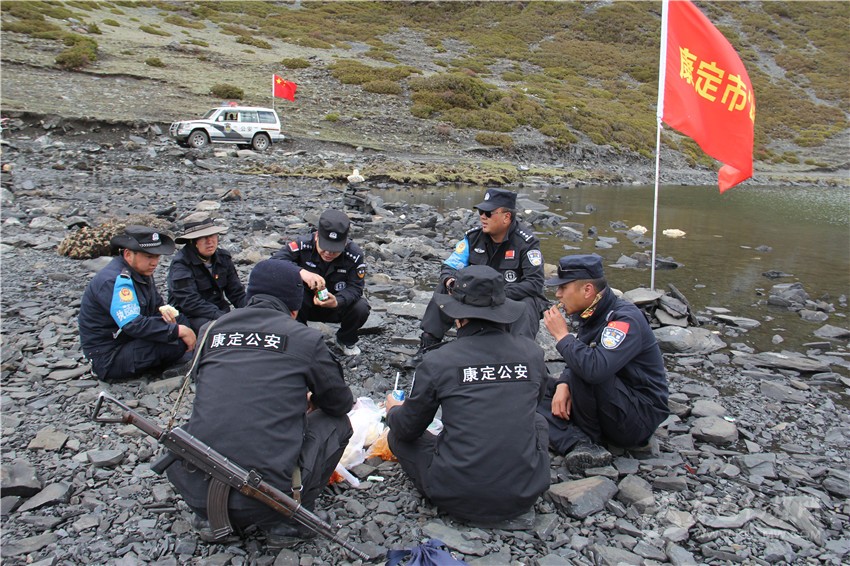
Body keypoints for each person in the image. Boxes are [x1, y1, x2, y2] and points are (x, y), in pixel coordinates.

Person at [165, 259, 354, 547]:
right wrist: (308, 400)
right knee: (338, 423)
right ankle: (291, 518)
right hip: (269, 498)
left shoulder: (211, 330)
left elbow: (215, 386)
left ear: (251, 295)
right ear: (294, 307)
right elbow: (340, 403)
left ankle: (211, 515)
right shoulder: (305, 339)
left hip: (197, 490)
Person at [386, 265, 550, 524]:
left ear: (459, 318)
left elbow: (409, 429)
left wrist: (393, 411)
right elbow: (534, 403)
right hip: (525, 493)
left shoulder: (439, 360)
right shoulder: (532, 354)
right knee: (538, 420)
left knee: (397, 436)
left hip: (455, 494)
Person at [537, 254, 669, 473]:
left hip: (637, 417)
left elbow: (595, 369)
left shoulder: (624, 319)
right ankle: (579, 442)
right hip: (609, 399)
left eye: (563, 288)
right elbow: (580, 359)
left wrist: (562, 336)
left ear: (587, 290)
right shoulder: (591, 312)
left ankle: (578, 437)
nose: (558, 294)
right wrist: (563, 384)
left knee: (588, 367)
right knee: (532, 385)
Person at [409, 188, 547, 367]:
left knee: (529, 302)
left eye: (488, 213)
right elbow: (450, 266)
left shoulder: (526, 243)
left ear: (506, 217)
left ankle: (520, 357)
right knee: (445, 287)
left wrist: (497, 294)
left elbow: (534, 283)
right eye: (481, 212)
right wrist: (451, 282)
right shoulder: (473, 238)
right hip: (477, 297)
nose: (482, 217)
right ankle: (428, 344)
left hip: (507, 299)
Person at [79, 225, 197, 381]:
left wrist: (172, 322)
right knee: (177, 341)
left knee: (182, 320)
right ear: (128, 254)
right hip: (109, 356)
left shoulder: (141, 272)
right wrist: (175, 331)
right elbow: (132, 324)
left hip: (128, 339)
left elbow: (156, 307)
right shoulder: (115, 281)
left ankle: (178, 359)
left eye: (157, 257)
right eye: (149, 257)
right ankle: (175, 362)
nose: (155, 262)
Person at [272, 209, 370, 356]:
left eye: (334, 249)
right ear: (317, 236)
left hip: (335, 305)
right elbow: (273, 264)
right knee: (286, 295)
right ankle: (298, 338)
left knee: (361, 307)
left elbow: (356, 288)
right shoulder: (302, 245)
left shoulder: (354, 255)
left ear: (344, 243)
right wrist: (301, 272)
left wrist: (337, 301)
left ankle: (345, 339)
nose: (328, 253)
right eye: (325, 247)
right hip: (303, 304)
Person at [167, 215, 246, 333]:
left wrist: (252, 311)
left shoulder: (223, 258)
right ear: (192, 241)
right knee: (222, 330)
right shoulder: (181, 264)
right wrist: (222, 317)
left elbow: (236, 292)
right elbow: (189, 302)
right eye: (203, 238)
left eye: (212, 236)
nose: (210, 242)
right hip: (191, 317)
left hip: (220, 312)